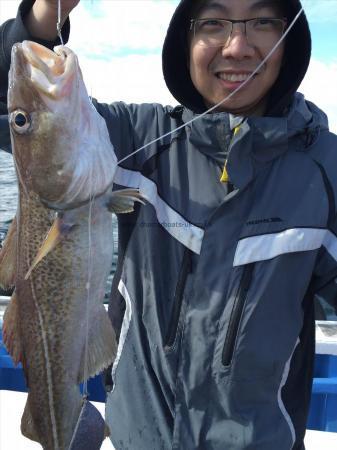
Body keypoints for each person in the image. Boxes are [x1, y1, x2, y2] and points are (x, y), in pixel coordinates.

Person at [1, 1, 337, 449]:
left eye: (261, 21)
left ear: (288, 36)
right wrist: (43, 16)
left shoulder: (326, 170)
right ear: (185, 41)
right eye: (214, 23)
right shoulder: (133, 139)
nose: (236, 47)